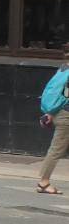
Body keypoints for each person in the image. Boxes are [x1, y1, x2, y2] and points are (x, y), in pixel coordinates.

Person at [36, 42, 69, 195]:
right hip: (66, 116)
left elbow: (58, 94)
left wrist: (50, 113)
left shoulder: (63, 68)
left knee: (56, 149)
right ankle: (43, 182)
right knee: (56, 150)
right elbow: (66, 96)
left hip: (59, 113)